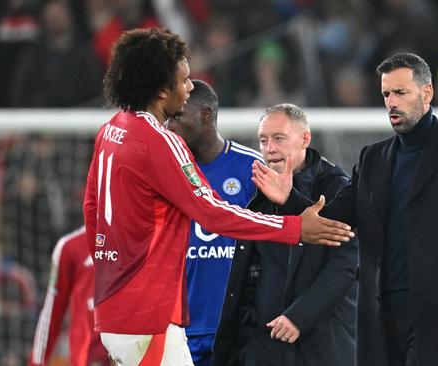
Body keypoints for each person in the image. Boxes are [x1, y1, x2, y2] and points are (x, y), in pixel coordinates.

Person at [82, 28, 353, 366]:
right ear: (162, 88)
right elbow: (211, 212)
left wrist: (112, 272)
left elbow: (91, 208)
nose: (190, 87)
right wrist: (295, 228)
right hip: (148, 312)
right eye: (184, 80)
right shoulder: (159, 140)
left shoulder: (111, 129)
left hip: (115, 308)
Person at [252, 52, 438, 366]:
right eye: (386, 94)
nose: (392, 102)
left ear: (427, 93)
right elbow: (331, 219)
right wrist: (290, 199)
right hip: (384, 320)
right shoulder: (373, 159)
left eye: (400, 93)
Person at [212, 103, 358, 366]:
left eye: (279, 138)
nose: (269, 149)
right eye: (263, 140)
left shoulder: (337, 186)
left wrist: (299, 317)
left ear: (305, 139)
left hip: (319, 343)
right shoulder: (257, 189)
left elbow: (345, 265)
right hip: (262, 344)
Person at [165, 79, 263, 366]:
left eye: (178, 117)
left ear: (206, 115)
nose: (169, 127)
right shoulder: (166, 173)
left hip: (240, 331)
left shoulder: (252, 169)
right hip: (181, 333)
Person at [29, 226, 110, 366]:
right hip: (87, 357)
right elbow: (52, 313)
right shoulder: (70, 246)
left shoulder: (141, 236)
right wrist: (36, 363)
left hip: (134, 353)